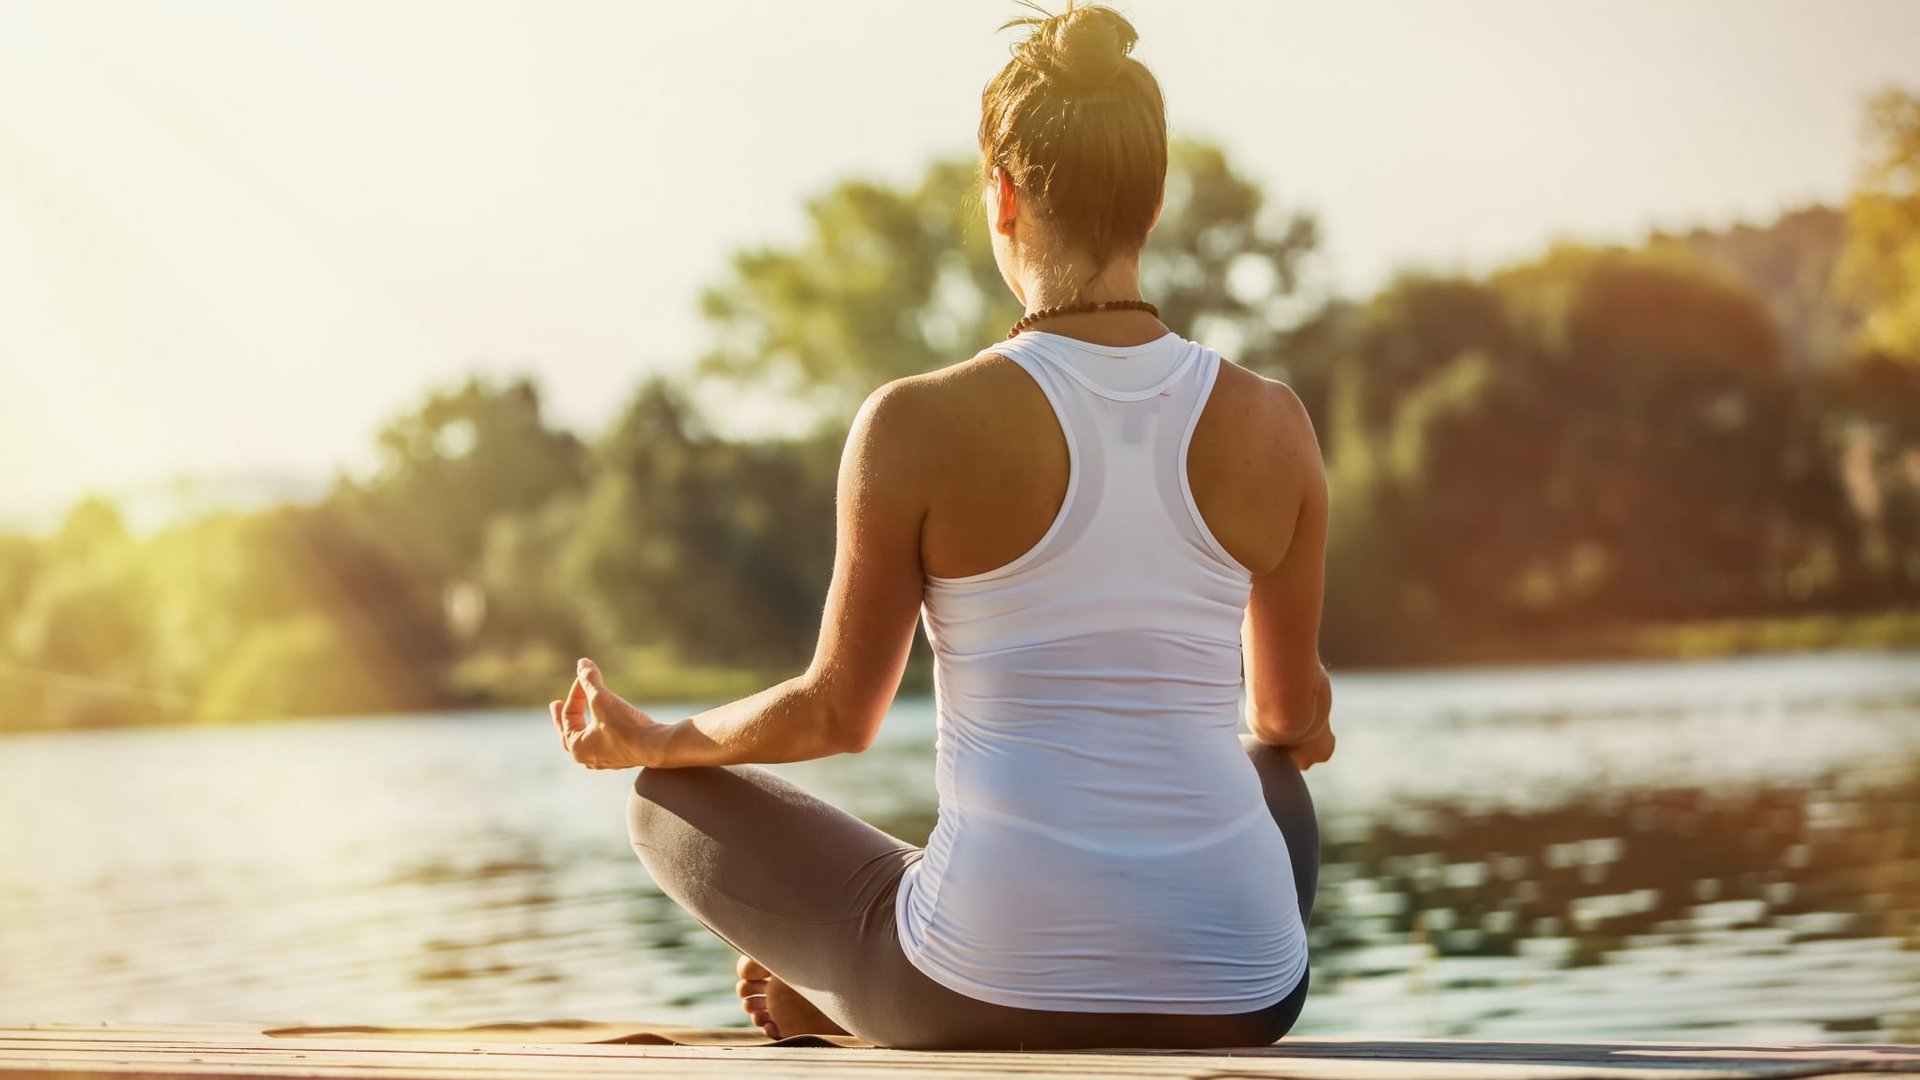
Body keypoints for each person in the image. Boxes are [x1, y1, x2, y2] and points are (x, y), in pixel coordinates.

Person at [548, 1, 1335, 1052]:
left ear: (1002, 199)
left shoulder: (914, 423)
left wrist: (657, 737)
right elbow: (1286, 718)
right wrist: (1297, 727)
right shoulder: (1276, 425)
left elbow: (838, 715)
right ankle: (910, 953)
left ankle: (842, 986)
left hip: (976, 992)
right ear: (1154, 206)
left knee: (663, 802)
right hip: (1246, 995)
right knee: (1269, 774)